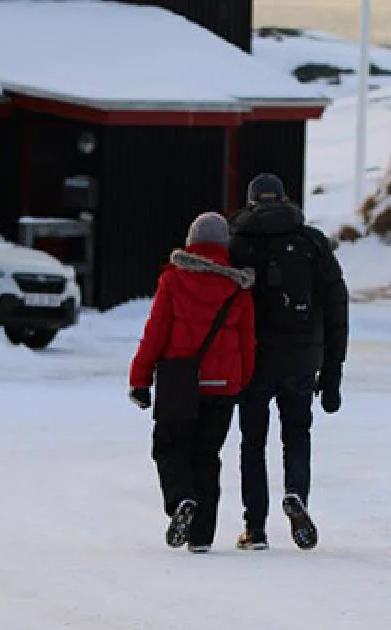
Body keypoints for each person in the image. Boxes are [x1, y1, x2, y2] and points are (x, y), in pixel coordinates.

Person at [229, 173, 349, 551]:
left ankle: (256, 529)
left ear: (251, 203)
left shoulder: (239, 243)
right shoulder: (311, 242)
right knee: (297, 434)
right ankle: (296, 493)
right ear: (286, 199)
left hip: (255, 359)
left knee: (253, 442)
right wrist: (331, 376)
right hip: (302, 358)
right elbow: (336, 310)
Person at [129, 212, 256, 554]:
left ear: (191, 242)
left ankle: (182, 500)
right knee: (207, 455)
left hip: (179, 383)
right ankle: (201, 537)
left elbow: (155, 334)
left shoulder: (174, 280)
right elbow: (248, 342)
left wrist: (139, 379)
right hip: (223, 386)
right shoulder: (238, 288)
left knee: (170, 448)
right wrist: (241, 382)